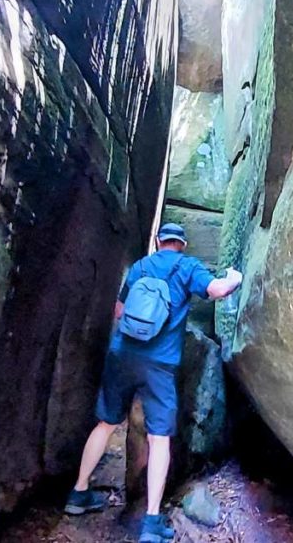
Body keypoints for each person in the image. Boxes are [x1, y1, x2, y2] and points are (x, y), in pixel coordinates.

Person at [64, 222, 243, 543]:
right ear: (183, 244)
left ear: (159, 241)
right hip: (159, 365)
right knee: (159, 438)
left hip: (122, 355)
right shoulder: (187, 266)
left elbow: (119, 312)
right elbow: (216, 290)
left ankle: (78, 494)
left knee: (105, 424)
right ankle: (151, 521)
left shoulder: (140, 267)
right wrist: (234, 278)